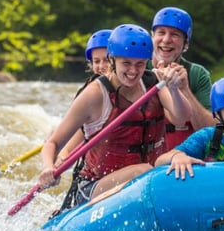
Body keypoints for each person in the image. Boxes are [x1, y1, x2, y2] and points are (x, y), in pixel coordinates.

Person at [37, 24, 189, 212]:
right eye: (126, 63)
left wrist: (174, 89)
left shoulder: (153, 82)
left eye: (139, 64)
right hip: (96, 186)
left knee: (172, 163)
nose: (133, 71)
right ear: (112, 59)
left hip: (148, 179)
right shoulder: (94, 94)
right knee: (143, 172)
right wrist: (48, 168)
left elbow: (182, 118)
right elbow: (53, 142)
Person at [52, 28, 112, 211]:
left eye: (106, 60)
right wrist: (63, 155)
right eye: (96, 61)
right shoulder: (89, 95)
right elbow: (81, 130)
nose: (101, 66)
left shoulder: (136, 88)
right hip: (95, 176)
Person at [149, 7, 215, 149]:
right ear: (152, 37)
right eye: (161, 32)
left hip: (185, 154)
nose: (166, 40)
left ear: (185, 44)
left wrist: (184, 89)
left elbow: (210, 132)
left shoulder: (197, 74)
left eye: (175, 35)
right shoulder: (137, 69)